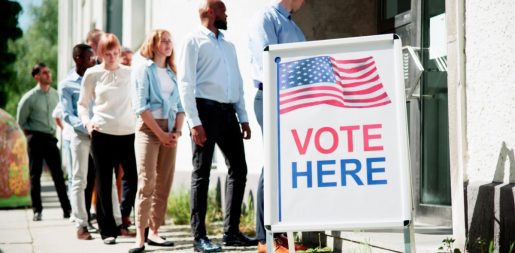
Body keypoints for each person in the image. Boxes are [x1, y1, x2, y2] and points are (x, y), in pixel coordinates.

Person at [179, 0, 256, 252]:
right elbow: (186, 84)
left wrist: (242, 116)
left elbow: (236, 81)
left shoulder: (229, 46)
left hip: (228, 113)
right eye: (223, 9)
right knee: (201, 173)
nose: (227, 14)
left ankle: (231, 232)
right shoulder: (193, 41)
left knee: (239, 169)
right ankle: (199, 238)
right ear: (211, 12)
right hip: (205, 111)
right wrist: (194, 122)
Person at [248, 0, 307, 252]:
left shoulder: (292, 25)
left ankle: (283, 237)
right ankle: (266, 239)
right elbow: (267, 63)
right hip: (273, 97)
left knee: (285, 165)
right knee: (273, 164)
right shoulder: (266, 18)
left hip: (292, 100)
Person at [129, 29, 185, 253]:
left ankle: (154, 231)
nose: (168, 44)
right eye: (164, 41)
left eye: (170, 41)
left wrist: (177, 132)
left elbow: (180, 107)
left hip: (170, 130)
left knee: (164, 184)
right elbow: (141, 108)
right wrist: (161, 135)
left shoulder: (172, 72)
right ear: (153, 45)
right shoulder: (144, 69)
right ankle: (140, 237)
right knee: (147, 184)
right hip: (148, 130)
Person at [78, 33, 138, 245]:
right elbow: (82, 104)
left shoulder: (131, 73)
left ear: (120, 53)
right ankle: (107, 231)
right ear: (100, 53)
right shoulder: (92, 74)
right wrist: (87, 122)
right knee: (103, 183)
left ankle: (124, 217)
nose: (113, 57)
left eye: (116, 53)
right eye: (108, 54)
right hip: (102, 134)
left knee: (133, 176)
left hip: (129, 134)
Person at [16, 63, 72, 221]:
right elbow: (21, 122)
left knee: (58, 175)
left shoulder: (56, 95)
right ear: (37, 76)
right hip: (35, 138)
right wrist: (30, 137)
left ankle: (67, 209)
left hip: (50, 138)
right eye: (45, 73)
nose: (48, 75)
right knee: (35, 175)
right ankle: (37, 210)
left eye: (49, 72)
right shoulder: (29, 98)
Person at [60, 44, 98, 240]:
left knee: (104, 179)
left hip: (100, 134)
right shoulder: (67, 84)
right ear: (78, 59)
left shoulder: (97, 77)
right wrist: (87, 126)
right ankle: (81, 226)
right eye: (90, 57)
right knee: (79, 180)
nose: (94, 60)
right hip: (80, 135)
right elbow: (67, 115)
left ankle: (116, 222)